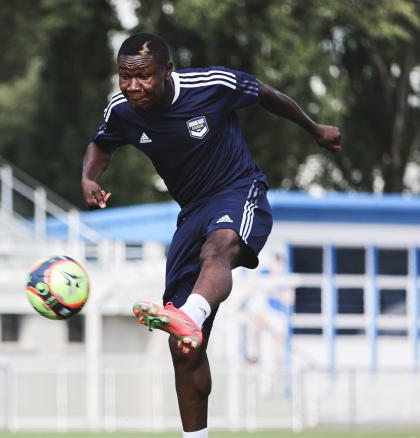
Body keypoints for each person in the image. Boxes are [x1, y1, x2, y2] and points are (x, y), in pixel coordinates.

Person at [80, 33, 341, 438]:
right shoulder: (122, 110)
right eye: (124, 77)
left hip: (238, 190)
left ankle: (191, 315)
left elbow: (266, 94)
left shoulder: (212, 85)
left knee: (220, 247)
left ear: (167, 71)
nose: (132, 87)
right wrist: (89, 177)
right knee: (184, 350)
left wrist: (313, 128)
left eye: (143, 77)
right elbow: (102, 144)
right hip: (190, 215)